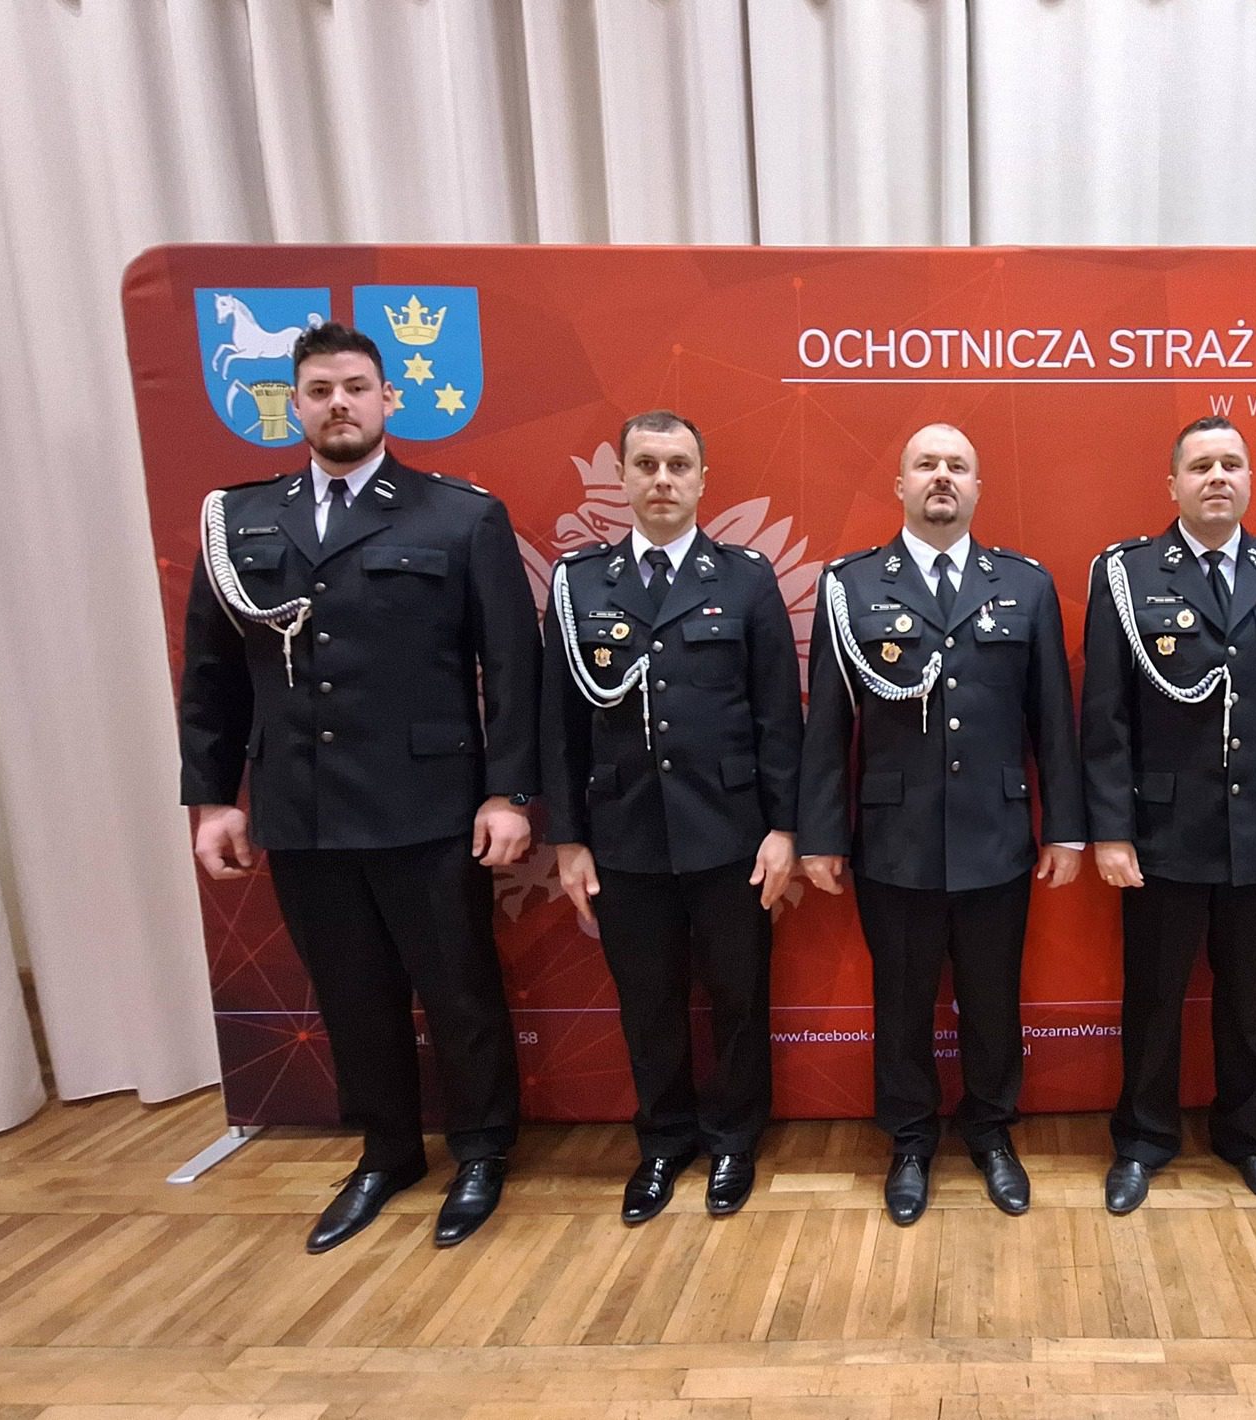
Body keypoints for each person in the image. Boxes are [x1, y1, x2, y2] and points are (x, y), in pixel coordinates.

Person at [178, 321, 540, 1253]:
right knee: (349, 993)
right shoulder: (239, 521)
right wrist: (213, 799)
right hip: (301, 805)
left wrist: (508, 793)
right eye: (319, 390)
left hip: (428, 804)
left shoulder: (458, 516)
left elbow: (512, 665)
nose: (338, 404)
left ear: (389, 399)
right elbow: (212, 674)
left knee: (458, 991)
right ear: (293, 407)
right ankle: (386, 1151)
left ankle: (480, 1150)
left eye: (354, 387)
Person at [798, 422, 1084, 1225]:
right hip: (896, 842)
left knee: (993, 1002)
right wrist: (821, 835)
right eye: (926, 464)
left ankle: (991, 1134)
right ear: (901, 485)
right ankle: (910, 1142)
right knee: (902, 1005)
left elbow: (1052, 720)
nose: (942, 477)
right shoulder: (850, 586)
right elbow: (828, 726)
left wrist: (1065, 826)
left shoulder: (1023, 585)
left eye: (958, 465)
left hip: (997, 838)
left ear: (978, 488)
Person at [540, 410, 802, 1223]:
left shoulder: (745, 578)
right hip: (625, 834)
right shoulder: (580, 583)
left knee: (737, 997)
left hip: (730, 834)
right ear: (622, 477)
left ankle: (733, 1140)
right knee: (647, 1002)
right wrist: (569, 839)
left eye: (678, 465)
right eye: (647, 465)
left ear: (702, 480)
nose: (662, 480)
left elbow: (777, 716)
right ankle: (662, 1142)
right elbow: (558, 723)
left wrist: (784, 829)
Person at [1081, 415, 1256, 1215]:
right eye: (1201, 466)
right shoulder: (1127, 573)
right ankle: (1143, 1141)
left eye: (1231, 464)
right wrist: (1111, 831)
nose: (1217, 477)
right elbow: (1105, 716)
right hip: (1163, 831)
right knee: (1155, 998)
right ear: (1174, 485)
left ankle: (1245, 1137)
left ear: (1250, 480)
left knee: (1246, 999)